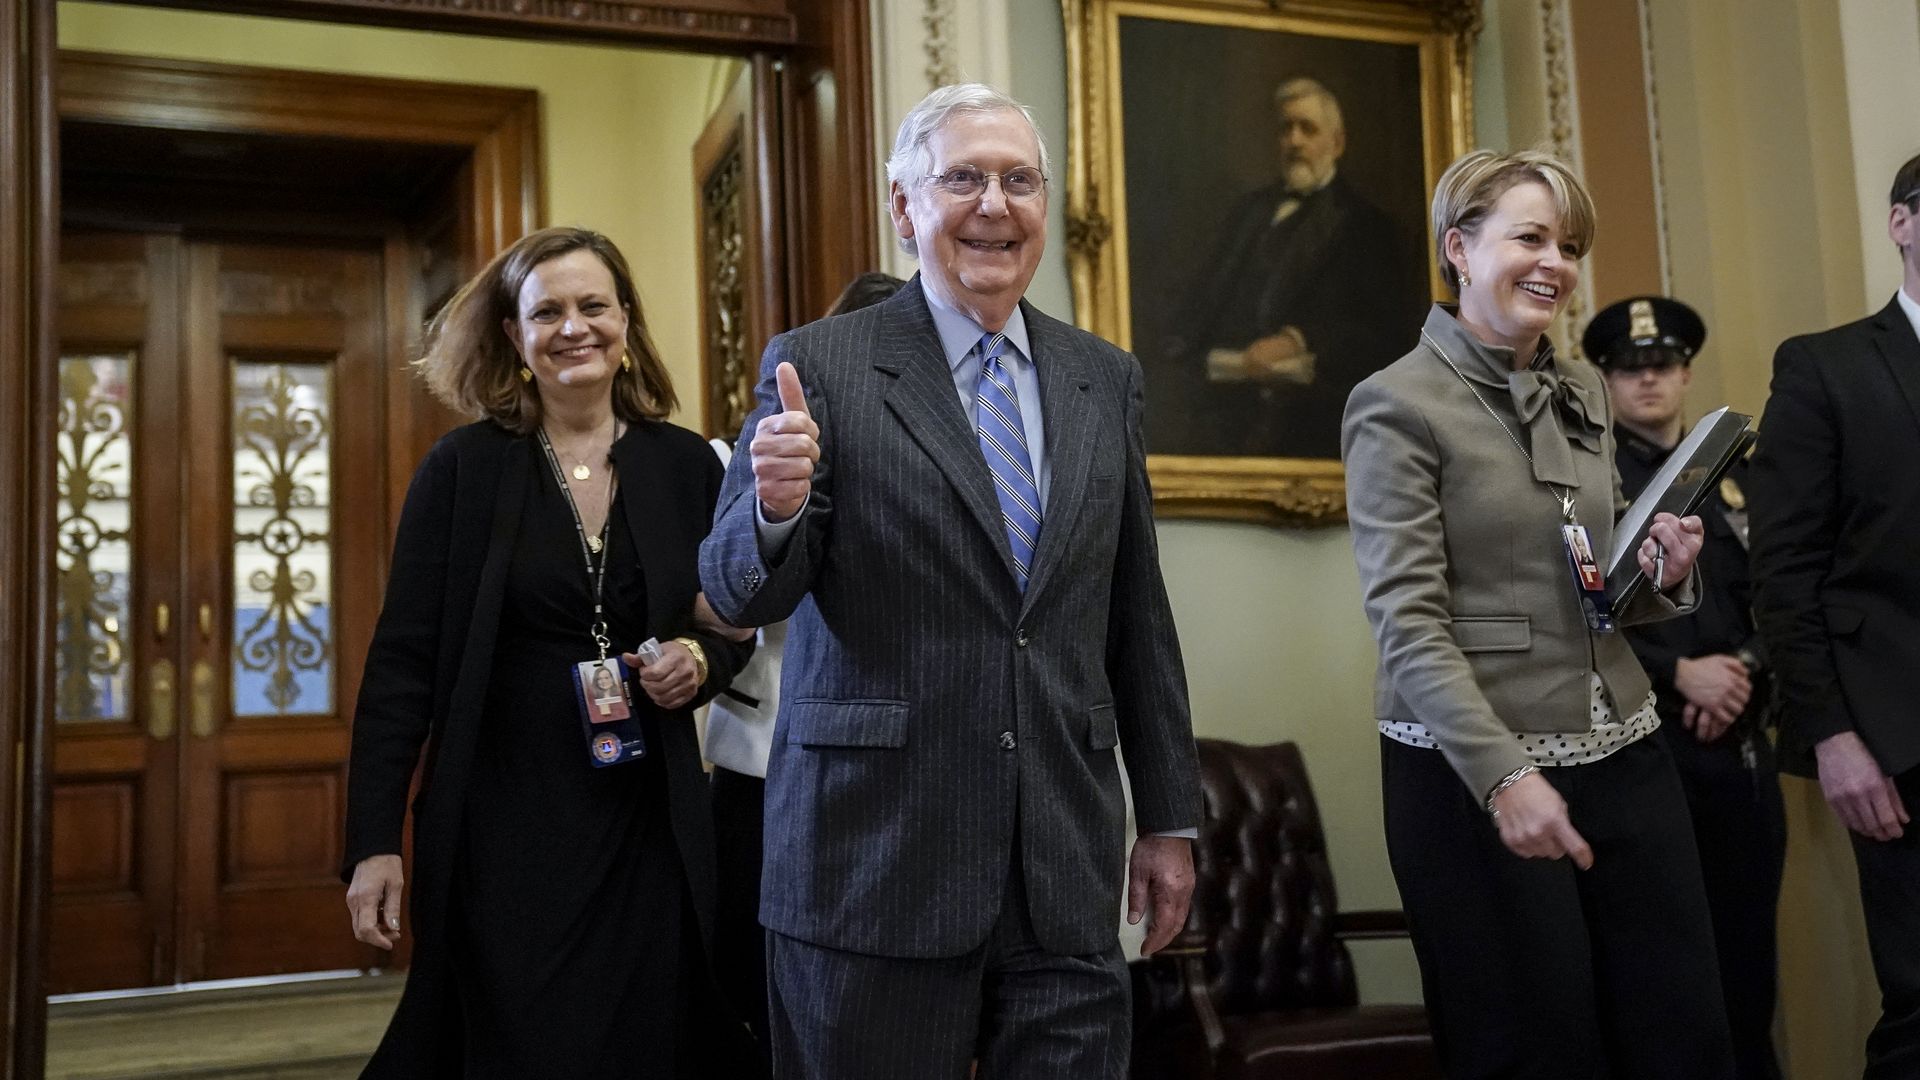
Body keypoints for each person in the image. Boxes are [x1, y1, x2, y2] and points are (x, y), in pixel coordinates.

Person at [699, 84, 1202, 1078]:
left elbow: (1135, 614)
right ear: (904, 208)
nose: (994, 205)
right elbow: (736, 595)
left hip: (1061, 865)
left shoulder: (1105, 378)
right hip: (872, 865)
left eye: (1019, 181)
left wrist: (1171, 818)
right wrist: (776, 506)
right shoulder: (819, 367)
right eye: (962, 178)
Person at [1342, 148, 1735, 1078]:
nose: (1555, 262)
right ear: (1460, 248)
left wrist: (1664, 575)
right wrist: (1503, 777)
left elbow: (1587, 589)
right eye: (1530, 237)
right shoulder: (1394, 403)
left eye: (1567, 243)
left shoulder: (1582, 388)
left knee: (1682, 1035)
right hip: (1474, 774)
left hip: (1627, 747)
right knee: (1535, 1050)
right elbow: (1406, 619)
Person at [341, 226, 755, 1078]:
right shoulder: (461, 470)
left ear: (627, 320)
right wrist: (373, 840)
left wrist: (699, 664)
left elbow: (731, 630)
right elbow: (400, 669)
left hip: (649, 825)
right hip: (502, 830)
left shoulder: (687, 465)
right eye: (548, 312)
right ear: (514, 337)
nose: (575, 327)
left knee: (650, 1042)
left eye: (593, 306)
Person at [698, 269, 905, 1071]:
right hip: (761, 766)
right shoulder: (760, 446)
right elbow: (720, 600)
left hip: (889, 773)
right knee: (759, 995)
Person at [1749, 151, 1920, 1079]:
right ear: (1900, 223)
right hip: (1897, 739)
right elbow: (1784, 571)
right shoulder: (1828, 366)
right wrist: (1832, 735)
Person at [1586, 295, 1785, 1080]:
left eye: (1661, 366)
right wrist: (1681, 675)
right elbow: (1591, 608)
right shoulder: (1594, 480)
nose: (1648, 382)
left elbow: (1784, 592)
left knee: (1746, 966)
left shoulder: (1741, 474)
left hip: (1739, 745)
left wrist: (1745, 668)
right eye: (1630, 370)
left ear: (1686, 373)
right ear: (1605, 380)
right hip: (1647, 744)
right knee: (1660, 974)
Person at [1160, 76, 1420, 458]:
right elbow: (1204, 300)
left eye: (1308, 129)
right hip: (1222, 403)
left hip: (1310, 415)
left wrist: (1296, 339)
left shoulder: (1368, 226)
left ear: (1337, 142)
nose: (1295, 141)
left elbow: (1382, 329)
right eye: (1287, 129)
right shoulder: (1248, 213)